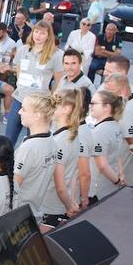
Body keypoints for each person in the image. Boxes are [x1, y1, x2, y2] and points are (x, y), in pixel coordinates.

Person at [6, 20, 62, 145]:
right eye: (36, 32)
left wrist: (51, 98)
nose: (38, 35)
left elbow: (58, 80)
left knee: (33, 140)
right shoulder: (23, 50)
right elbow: (18, 71)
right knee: (9, 138)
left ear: (48, 35)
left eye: (42, 33)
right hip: (19, 99)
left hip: (39, 103)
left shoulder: (56, 55)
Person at [12, 92, 59, 222]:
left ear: (37, 115)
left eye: (24, 109)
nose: (19, 112)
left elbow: (14, 184)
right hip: (34, 211)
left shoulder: (29, 147)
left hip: (18, 214)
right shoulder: (51, 140)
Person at [41, 90, 84, 227]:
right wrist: (70, 201)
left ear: (66, 109)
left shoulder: (61, 141)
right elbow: (71, 175)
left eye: (55, 104)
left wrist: (69, 205)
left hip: (51, 205)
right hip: (59, 204)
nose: (50, 108)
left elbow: (60, 186)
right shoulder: (72, 136)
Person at [101, 73, 133, 188]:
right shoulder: (128, 105)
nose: (106, 96)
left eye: (111, 92)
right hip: (118, 178)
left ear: (124, 91)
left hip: (120, 182)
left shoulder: (127, 112)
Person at [88, 89, 126, 204]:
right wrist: (120, 175)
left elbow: (102, 165)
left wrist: (118, 181)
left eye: (94, 103)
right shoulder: (116, 126)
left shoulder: (101, 131)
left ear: (107, 107)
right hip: (109, 186)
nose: (90, 106)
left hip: (97, 190)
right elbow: (118, 154)